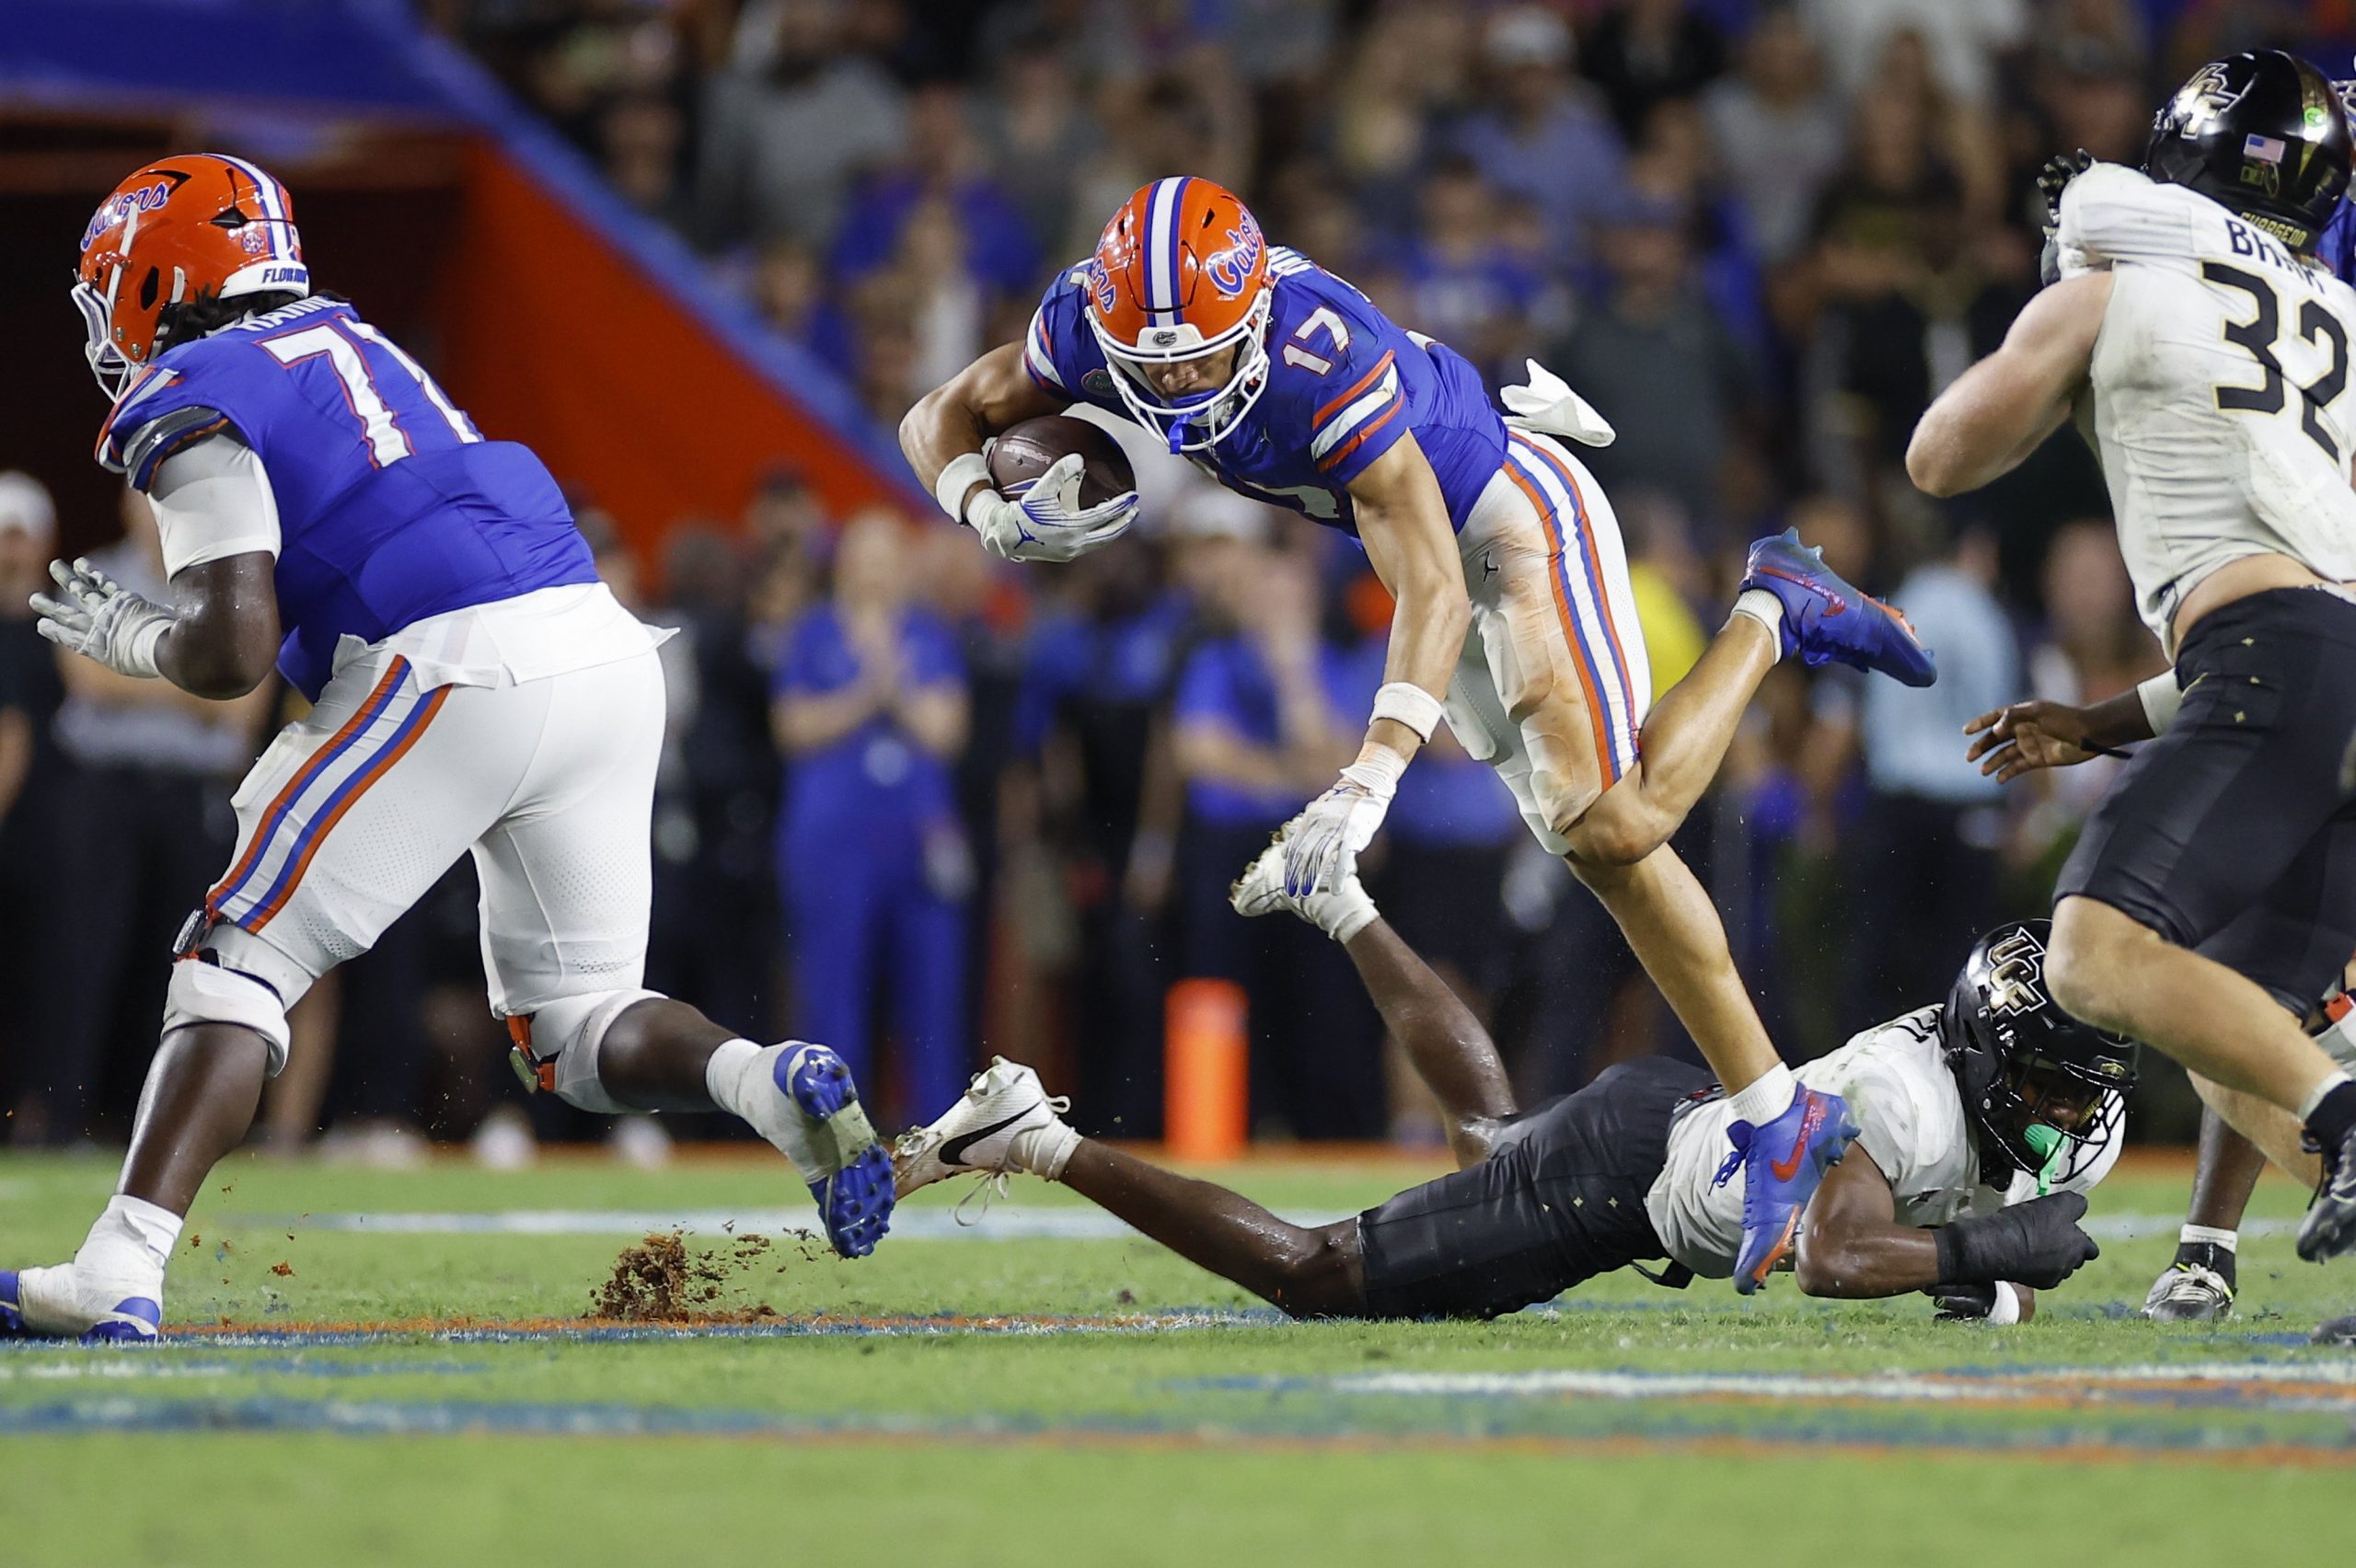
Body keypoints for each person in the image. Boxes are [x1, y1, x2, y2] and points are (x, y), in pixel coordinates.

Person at [900, 172, 1938, 1288]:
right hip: (1429, 546)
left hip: (1510, 514)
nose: (1180, 383)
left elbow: (1435, 587)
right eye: (1152, 369)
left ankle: (1774, 604)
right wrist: (984, 507)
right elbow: (935, 416)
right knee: (1606, 856)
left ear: (1249, 314)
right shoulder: (1098, 321)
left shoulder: (1320, 356)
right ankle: (1775, 1112)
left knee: (1619, 823)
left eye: (1199, 356)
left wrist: (1367, 780)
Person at [1, 155, 894, 1343]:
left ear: (163, 273)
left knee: (233, 961)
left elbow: (236, 649)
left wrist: (147, 642)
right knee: (577, 1027)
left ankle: (120, 1261)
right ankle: (764, 1085)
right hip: (599, 647)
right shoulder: (353, 341)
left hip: (454, 655)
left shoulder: (195, 382)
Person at [894, 862, 2122, 1324]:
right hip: (1630, 1178)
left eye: (2084, 1091)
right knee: (1314, 1274)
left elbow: (1922, 1241)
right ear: (1981, 1047)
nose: (2071, 1118)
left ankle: (1342, 899)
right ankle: (1038, 1135)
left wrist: (1979, 1274)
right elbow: (1836, 1259)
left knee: (1488, 1137)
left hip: (1670, 1121)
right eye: (2053, 1088)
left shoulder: (2036, 1110)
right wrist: (1986, 1249)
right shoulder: (1901, 1094)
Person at [1907, 52, 2356, 1282]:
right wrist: (2106, 721)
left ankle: (2344, 1134)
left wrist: (2065, 316)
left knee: (2097, 957)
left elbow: (1938, 461)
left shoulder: (2121, 276)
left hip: (2275, 660)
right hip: (2320, 675)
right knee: (2234, 1028)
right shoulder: (2338, 322)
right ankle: (2248, 1216)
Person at [773, 509, 973, 1126]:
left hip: (917, 837)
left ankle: (935, 1129)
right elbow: (793, 726)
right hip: (834, 840)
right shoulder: (812, 634)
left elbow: (946, 732)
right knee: (833, 990)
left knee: (933, 994)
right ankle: (832, 1129)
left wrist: (895, 690)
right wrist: (869, 693)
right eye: (867, 559)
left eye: (890, 559)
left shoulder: (930, 635)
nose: (878, 573)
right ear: (846, 566)